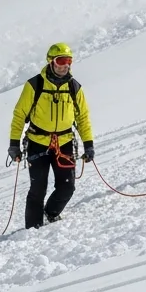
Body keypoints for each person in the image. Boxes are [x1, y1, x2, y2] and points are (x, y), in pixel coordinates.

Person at [8, 43, 95, 229]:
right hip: (37, 143)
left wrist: (89, 144)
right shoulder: (34, 85)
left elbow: (83, 117)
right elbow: (19, 115)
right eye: (61, 60)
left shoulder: (74, 88)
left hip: (64, 143)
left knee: (67, 187)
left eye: (68, 61)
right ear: (51, 62)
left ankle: (51, 213)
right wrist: (14, 144)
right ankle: (32, 229)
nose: (65, 65)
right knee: (38, 189)